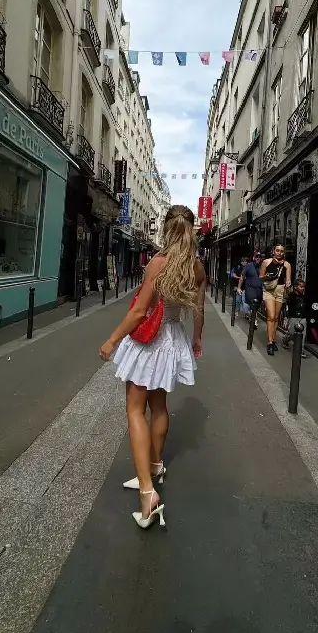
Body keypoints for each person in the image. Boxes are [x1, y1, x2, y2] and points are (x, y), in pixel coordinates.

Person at [99, 205, 206, 530]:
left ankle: (148, 493)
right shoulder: (197, 267)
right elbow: (199, 310)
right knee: (159, 405)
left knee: (134, 410)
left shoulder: (158, 264)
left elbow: (139, 312)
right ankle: (155, 467)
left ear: (166, 229)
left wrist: (112, 339)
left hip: (149, 341)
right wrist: (197, 339)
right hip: (173, 338)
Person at [260, 244, 292, 356]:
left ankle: (273, 340)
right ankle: (269, 343)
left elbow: (288, 280)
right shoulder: (266, 262)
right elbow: (261, 277)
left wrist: (288, 284)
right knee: (271, 316)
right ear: (273, 251)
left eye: (281, 251)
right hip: (269, 290)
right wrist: (267, 276)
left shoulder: (287, 265)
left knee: (277, 317)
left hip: (280, 291)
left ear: (284, 253)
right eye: (277, 250)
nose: (279, 253)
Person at [282, 278, 309, 358]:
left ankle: (301, 350)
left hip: (302, 317)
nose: (302, 288)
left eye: (303, 287)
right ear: (296, 287)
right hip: (293, 316)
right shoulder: (291, 296)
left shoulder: (304, 296)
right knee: (291, 333)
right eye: (301, 287)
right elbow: (287, 300)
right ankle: (285, 340)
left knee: (302, 335)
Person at [236, 250, 264, 329]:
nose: (258, 258)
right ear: (253, 257)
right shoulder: (249, 266)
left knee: (256, 306)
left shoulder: (262, 266)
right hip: (250, 289)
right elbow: (242, 277)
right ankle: (254, 320)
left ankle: (251, 315)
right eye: (256, 257)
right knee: (253, 304)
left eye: (259, 257)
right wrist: (239, 287)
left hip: (259, 290)